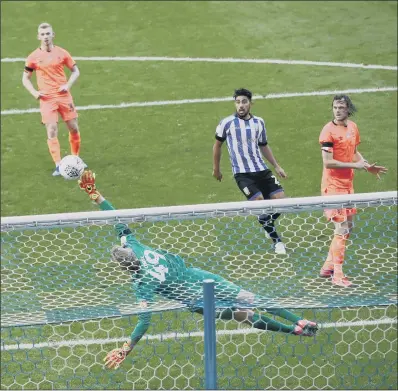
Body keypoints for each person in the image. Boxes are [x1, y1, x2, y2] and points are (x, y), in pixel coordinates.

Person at [77, 170, 318, 369]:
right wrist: (95, 195)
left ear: (125, 269)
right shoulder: (136, 246)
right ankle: (299, 321)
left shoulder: (142, 284)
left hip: (198, 298)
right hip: (202, 280)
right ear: (130, 252)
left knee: (245, 313)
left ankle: (293, 330)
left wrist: (126, 348)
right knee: (250, 299)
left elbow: (144, 320)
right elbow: (117, 217)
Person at [319, 95, 387, 287]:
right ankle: (337, 276)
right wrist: (354, 165)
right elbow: (328, 162)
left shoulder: (353, 128)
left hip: (348, 185)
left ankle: (327, 266)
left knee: (348, 227)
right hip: (333, 187)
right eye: (334, 107)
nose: (337, 110)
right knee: (341, 228)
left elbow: (354, 152)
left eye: (341, 107)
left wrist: (366, 166)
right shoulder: (328, 131)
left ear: (348, 109)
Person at [212, 88, 288, 254]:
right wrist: (216, 169)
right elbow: (217, 145)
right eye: (238, 102)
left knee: (282, 203)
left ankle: (265, 223)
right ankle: (277, 241)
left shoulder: (259, 123)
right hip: (242, 174)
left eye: (244, 102)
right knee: (259, 203)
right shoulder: (227, 123)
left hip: (262, 170)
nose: (241, 105)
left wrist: (276, 166)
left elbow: (263, 145)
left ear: (250, 104)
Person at [22, 22, 85, 176]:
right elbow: (25, 78)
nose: (45, 37)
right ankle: (58, 165)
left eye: (48, 34)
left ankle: (75, 158)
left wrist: (67, 85)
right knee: (51, 130)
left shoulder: (62, 53)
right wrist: (35, 93)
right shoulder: (33, 57)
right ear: (38, 36)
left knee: (74, 128)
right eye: (43, 34)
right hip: (47, 99)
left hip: (63, 96)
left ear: (53, 35)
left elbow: (76, 71)